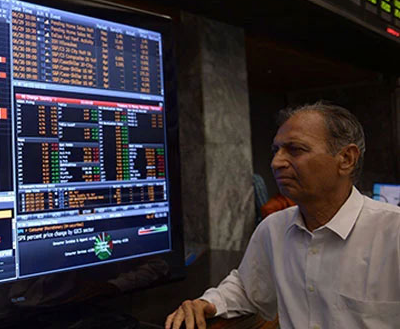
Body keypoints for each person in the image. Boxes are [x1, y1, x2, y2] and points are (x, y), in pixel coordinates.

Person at [165, 102, 400, 329]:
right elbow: (247, 288)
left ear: (346, 159)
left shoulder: (393, 232)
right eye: (276, 151)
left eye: (295, 150)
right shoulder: (274, 228)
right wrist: (208, 303)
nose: (277, 162)